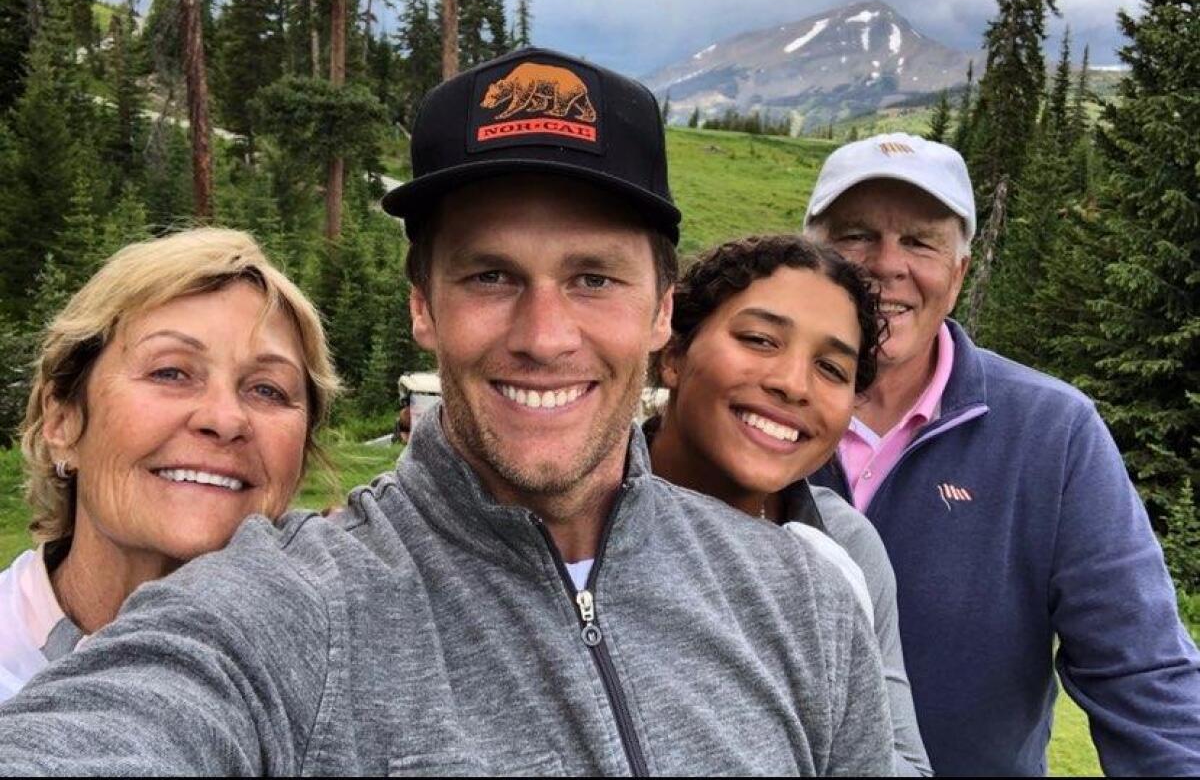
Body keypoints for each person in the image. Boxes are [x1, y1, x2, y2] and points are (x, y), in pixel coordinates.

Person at [0, 49, 892, 775]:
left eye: (593, 277)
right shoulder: (295, 604)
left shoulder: (800, 599)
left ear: (662, 308)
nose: (545, 335)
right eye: (490, 276)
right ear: (422, 305)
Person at [803, 131, 1200, 775]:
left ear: (958, 275)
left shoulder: (1053, 432)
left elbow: (1144, 672)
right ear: (810, 257)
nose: (886, 264)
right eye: (855, 235)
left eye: (921, 241)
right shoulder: (750, 417)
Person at [0, 227, 339, 705]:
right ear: (62, 421)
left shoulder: (339, 675)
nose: (225, 419)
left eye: (267, 389)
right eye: (170, 372)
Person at [646, 234, 931, 776]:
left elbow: (907, 764)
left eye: (831, 369)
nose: (794, 385)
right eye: (759, 339)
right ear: (675, 353)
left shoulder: (844, 549)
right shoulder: (579, 517)